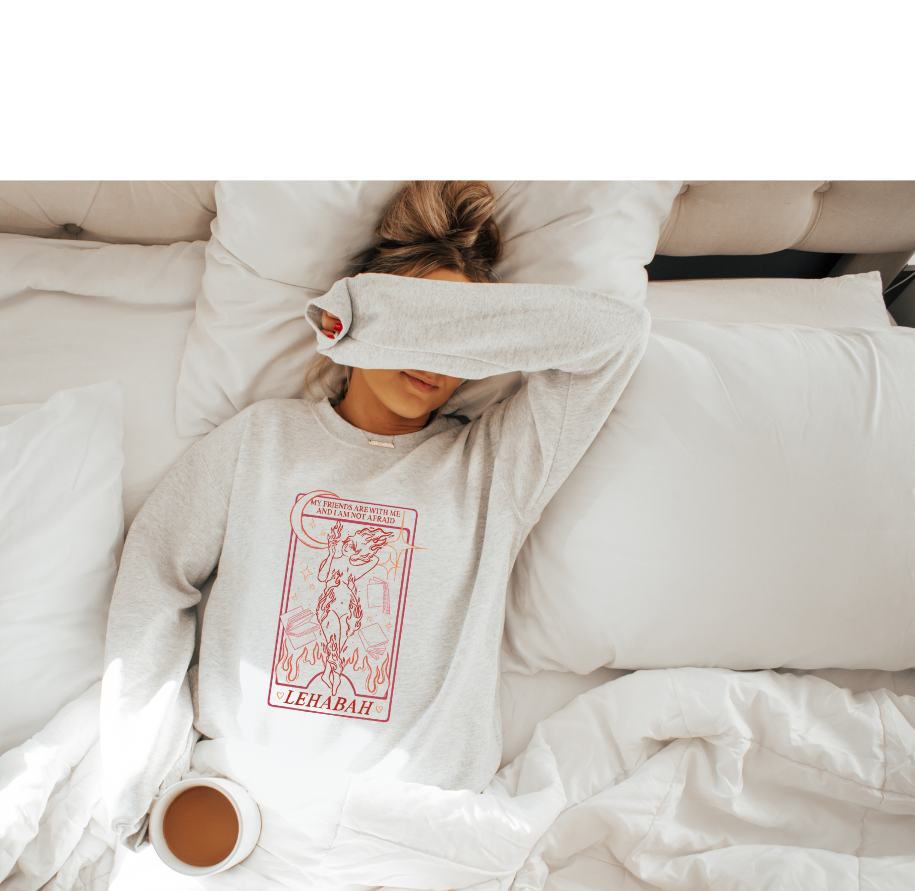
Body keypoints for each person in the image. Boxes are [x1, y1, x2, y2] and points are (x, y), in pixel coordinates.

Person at [100, 180, 650, 849]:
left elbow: (615, 337)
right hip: (241, 809)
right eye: (416, 323)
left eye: (458, 340)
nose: (435, 357)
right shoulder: (260, 442)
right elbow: (154, 574)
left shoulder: (492, 470)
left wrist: (443, 319)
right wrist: (140, 770)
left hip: (413, 827)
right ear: (371, 313)